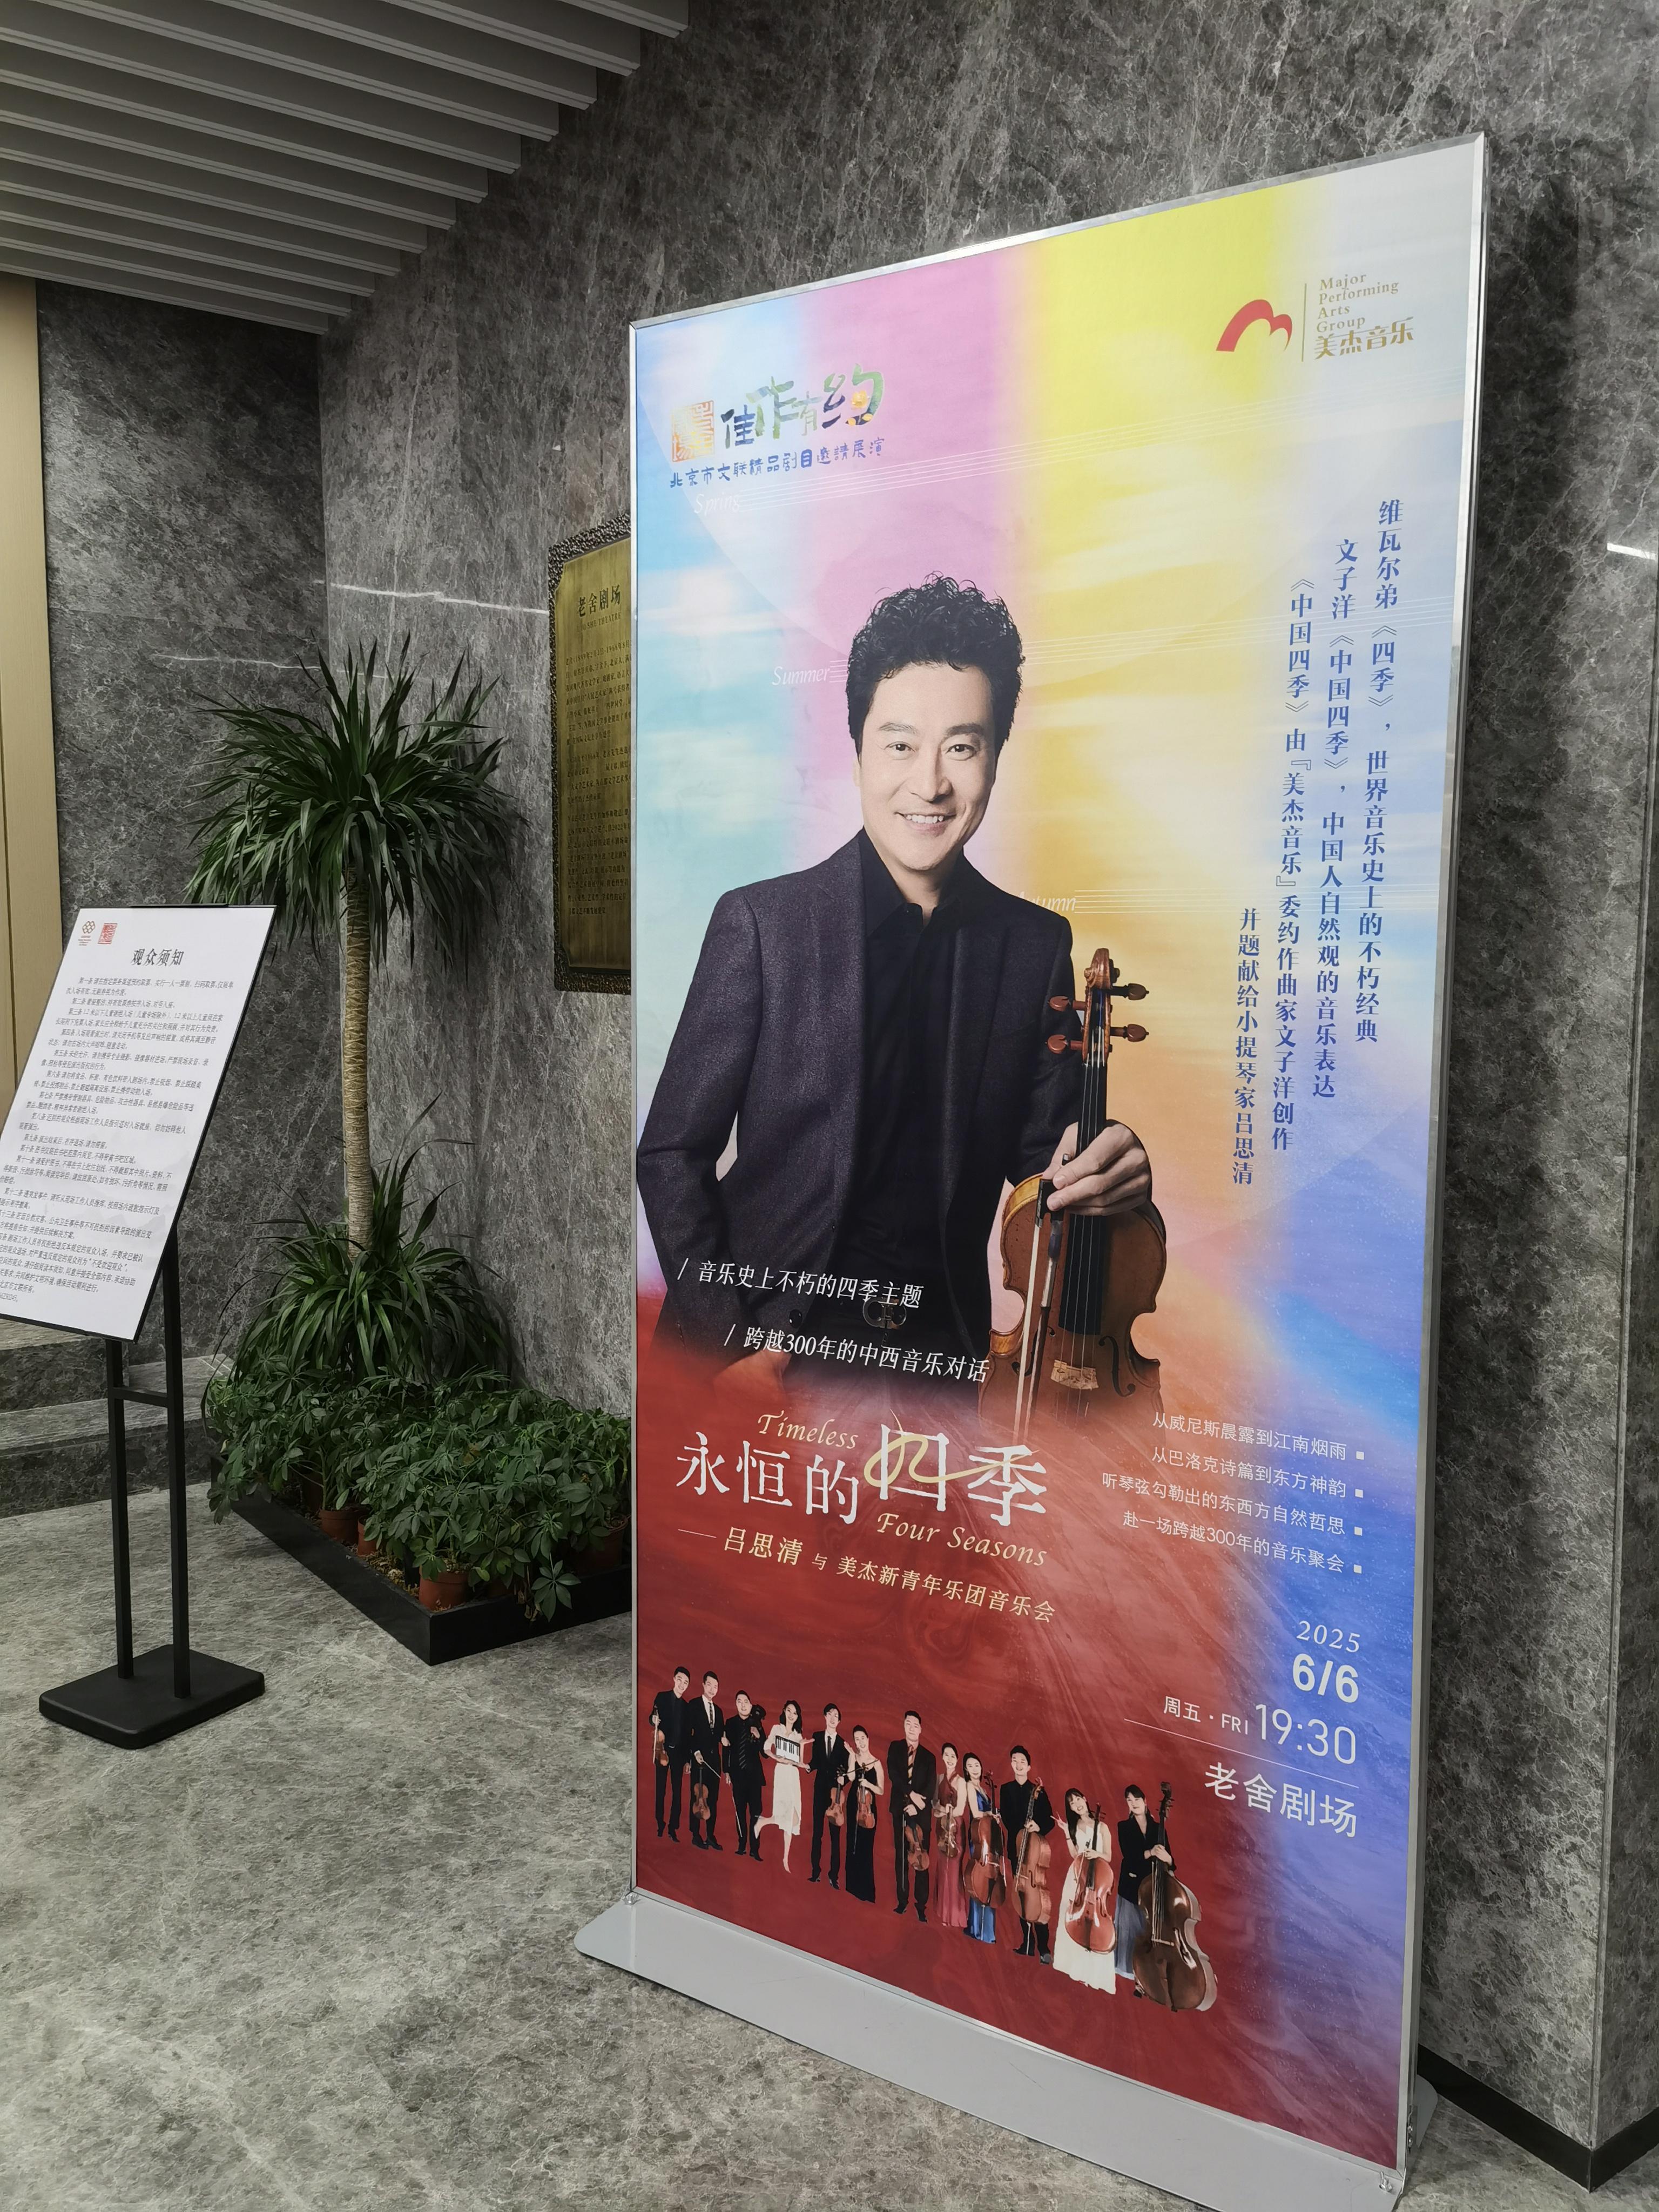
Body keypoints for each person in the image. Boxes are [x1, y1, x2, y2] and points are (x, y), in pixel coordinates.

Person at [637, 576, 1157, 1390]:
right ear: (857, 754)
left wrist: (1110, 1163)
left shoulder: (1034, 946)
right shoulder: (762, 925)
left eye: (963, 747)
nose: (931, 784)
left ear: (995, 759)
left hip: (936, 1362)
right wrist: (730, 1338)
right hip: (766, 1349)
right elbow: (672, 1153)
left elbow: (1044, 1173)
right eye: (900, 745)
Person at [1053, 1790, 1117, 1993]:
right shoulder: (1075, 1826)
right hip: (1077, 1877)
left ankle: (1092, 1972)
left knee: (1095, 1921)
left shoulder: (1103, 1827)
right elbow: (1075, 1854)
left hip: (1096, 1879)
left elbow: (1108, 1856)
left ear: (1085, 1799)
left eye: (1078, 1799)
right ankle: (1074, 1968)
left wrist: (1096, 1853)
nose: (1077, 1804)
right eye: (1072, 1803)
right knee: (1073, 1918)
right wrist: (1066, 1831)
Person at [1116, 1783, 1174, 1987]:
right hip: (1131, 1887)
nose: (1133, 1804)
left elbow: (1171, 1861)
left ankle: (1150, 1974)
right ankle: (1133, 1974)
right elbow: (1129, 1856)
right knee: (1132, 1932)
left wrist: (1167, 1858)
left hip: (1153, 1889)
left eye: (1137, 1800)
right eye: (1129, 1801)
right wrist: (1150, 1853)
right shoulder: (1123, 1827)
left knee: (1151, 1932)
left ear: (1145, 1801)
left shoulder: (1159, 1828)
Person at [1000, 1746, 1056, 1959]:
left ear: (1029, 1767)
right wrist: (1022, 1828)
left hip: (1034, 1852)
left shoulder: (1038, 1791)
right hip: (1017, 1849)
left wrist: (1037, 1826)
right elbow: (1007, 1818)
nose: (1019, 1764)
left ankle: (1044, 1948)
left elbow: (1049, 1819)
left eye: (1023, 1761)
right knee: (1021, 1896)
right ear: (1011, 1764)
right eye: (1015, 1760)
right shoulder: (1006, 1789)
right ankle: (1027, 1944)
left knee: (1038, 1897)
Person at [886, 1710, 937, 1923]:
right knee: (901, 1857)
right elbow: (894, 1775)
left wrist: (918, 1806)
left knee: (922, 1858)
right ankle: (902, 1900)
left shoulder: (929, 1757)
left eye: (916, 1725)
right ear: (904, 1725)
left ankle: (921, 1906)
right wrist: (911, 1794)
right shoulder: (895, 1747)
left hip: (921, 1813)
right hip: (900, 1808)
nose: (912, 1728)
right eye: (908, 1724)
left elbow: (931, 1786)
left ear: (921, 1729)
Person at [756, 1698, 805, 1870]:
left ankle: (785, 1857)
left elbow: (799, 1760)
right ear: (784, 1711)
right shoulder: (777, 1729)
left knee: (794, 1817)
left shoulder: (798, 1734)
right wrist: (777, 1757)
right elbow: (766, 1747)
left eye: (795, 1713)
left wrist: (802, 1749)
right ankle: (785, 1859)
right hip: (782, 1772)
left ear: (797, 1716)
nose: (791, 1715)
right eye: (789, 1711)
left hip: (794, 1774)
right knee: (787, 1814)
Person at [646, 1665, 693, 1840]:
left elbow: (688, 1736)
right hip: (663, 1750)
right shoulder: (662, 1697)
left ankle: (673, 1828)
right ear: (674, 1679)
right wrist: (653, 1719)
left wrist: (688, 1760)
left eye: (686, 1682)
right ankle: (660, 1824)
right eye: (680, 1680)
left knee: (677, 1793)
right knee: (661, 1790)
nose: (682, 1684)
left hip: (679, 1755)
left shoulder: (687, 1707)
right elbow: (652, 1717)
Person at [809, 1703, 852, 1889]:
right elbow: (815, 1762)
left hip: (836, 1796)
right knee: (817, 1833)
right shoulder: (817, 1737)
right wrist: (808, 1767)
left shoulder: (843, 1744)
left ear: (839, 1721)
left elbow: (848, 1772)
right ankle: (815, 1872)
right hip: (819, 1792)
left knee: (835, 1838)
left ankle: (834, 1876)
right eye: (830, 1714)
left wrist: (844, 1780)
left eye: (836, 1716)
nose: (833, 1718)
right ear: (825, 1717)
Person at [961, 1754, 1001, 1945]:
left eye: (977, 1765)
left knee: (989, 1881)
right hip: (978, 1837)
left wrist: (996, 1817)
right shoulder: (970, 1786)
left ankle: (987, 1931)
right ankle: (977, 1929)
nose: (975, 1768)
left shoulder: (984, 1789)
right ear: (966, 1770)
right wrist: (990, 1814)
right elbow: (977, 1814)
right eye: (970, 1766)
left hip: (988, 1839)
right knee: (978, 1881)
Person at [722, 1692, 767, 1859]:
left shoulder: (758, 1724)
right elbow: (726, 1748)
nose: (743, 1705)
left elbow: (765, 1753)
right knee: (740, 1813)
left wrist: (759, 1737)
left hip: (754, 1778)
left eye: (746, 1702)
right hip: (737, 1776)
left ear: (751, 1705)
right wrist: (726, 1771)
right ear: (736, 1704)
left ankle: (755, 1849)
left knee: (756, 1814)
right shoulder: (730, 1723)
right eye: (739, 1702)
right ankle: (742, 1845)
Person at [932, 1742, 969, 1932]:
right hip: (941, 1829)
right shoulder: (939, 1778)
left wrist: (947, 1811)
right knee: (943, 1870)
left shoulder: (961, 1782)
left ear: (957, 1759)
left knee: (954, 1872)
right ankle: (943, 1915)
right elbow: (934, 1806)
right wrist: (942, 1809)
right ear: (942, 1757)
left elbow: (961, 1809)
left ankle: (955, 1916)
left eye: (953, 1756)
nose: (949, 1759)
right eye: (946, 1755)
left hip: (956, 1830)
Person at [686, 1671, 725, 1850]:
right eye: (709, 1685)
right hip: (699, 1759)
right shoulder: (694, 1705)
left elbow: (720, 1735)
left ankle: (710, 1836)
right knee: (697, 1797)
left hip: (714, 1761)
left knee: (713, 1799)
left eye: (715, 1687)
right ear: (703, 1685)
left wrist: (725, 1739)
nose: (712, 1689)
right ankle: (695, 1835)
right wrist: (695, 1753)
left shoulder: (719, 1711)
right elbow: (688, 1733)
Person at [845, 1727, 884, 1903]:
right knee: (852, 1842)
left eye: (862, 1738)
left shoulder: (877, 1763)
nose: (860, 1742)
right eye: (857, 1739)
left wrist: (868, 1784)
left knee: (865, 1847)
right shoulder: (854, 1757)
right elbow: (851, 1778)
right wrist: (852, 1757)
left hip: (868, 1808)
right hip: (854, 1804)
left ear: (868, 1739)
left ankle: (866, 1891)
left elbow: (881, 1790)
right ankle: (852, 1886)